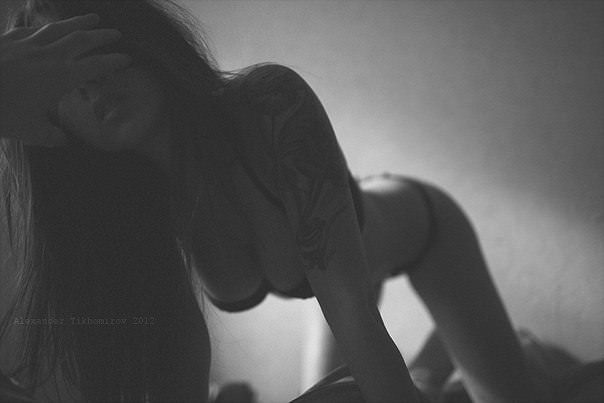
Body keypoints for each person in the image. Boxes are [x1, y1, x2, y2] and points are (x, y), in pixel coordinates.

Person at [0, 1, 537, 402]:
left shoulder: (268, 105)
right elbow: (182, 371)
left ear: (136, 38)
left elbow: (354, 314)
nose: (90, 88)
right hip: (332, 284)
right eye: (61, 85)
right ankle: (433, 372)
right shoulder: (127, 215)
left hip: (420, 233)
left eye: (87, 54)